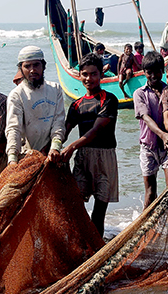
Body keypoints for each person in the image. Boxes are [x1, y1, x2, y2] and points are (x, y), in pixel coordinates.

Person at [61, 53, 119, 237]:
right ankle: (82, 242)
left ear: (101, 75)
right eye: (85, 74)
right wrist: (51, 145)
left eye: (93, 74)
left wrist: (70, 147)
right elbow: (64, 131)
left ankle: (96, 249)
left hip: (104, 157)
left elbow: (95, 131)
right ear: (79, 76)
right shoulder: (76, 105)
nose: (89, 78)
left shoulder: (109, 100)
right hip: (82, 157)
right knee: (75, 204)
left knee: (99, 209)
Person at [5, 46, 65, 165]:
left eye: (36, 65)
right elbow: (13, 129)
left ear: (43, 66)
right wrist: (12, 158)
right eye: (27, 66)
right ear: (21, 69)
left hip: (52, 155)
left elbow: (59, 121)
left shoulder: (55, 89)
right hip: (27, 156)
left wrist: (55, 147)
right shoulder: (16, 95)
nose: (32, 70)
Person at [133, 51, 168, 209]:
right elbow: (146, 117)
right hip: (148, 147)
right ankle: (147, 231)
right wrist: (162, 135)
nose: (153, 75)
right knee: (150, 192)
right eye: (149, 72)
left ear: (162, 70)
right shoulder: (139, 93)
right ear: (144, 72)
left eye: (157, 71)